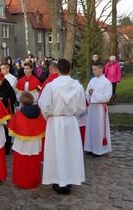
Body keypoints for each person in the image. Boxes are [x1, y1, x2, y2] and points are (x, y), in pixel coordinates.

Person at [38, 58, 86, 195]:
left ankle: (58, 180)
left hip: (55, 122)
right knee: (70, 151)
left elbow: (44, 105)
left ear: (58, 70)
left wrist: (48, 117)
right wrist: (72, 113)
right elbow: (82, 107)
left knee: (56, 151)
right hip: (70, 121)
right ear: (70, 70)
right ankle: (69, 180)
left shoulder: (51, 86)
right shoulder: (77, 86)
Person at [9, 91, 45, 189]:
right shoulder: (39, 113)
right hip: (35, 144)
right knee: (34, 164)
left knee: (22, 164)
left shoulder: (19, 114)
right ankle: (33, 182)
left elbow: (12, 129)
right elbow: (43, 127)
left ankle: (22, 182)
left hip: (21, 144)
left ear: (21, 101)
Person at [84, 61, 112, 156]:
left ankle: (99, 150)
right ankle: (90, 147)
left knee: (99, 128)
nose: (94, 72)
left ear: (101, 69)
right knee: (91, 127)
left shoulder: (107, 82)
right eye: (93, 70)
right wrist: (88, 94)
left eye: (95, 69)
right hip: (92, 108)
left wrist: (94, 93)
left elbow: (107, 97)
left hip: (100, 109)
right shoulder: (92, 81)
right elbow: (87, 93)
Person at [0, 72, 17, 155]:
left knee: (6, 130)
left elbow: (13, 99)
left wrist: (2, 99)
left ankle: (6, 149)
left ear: (3, 80)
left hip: (7, 111)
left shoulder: (8, 87)